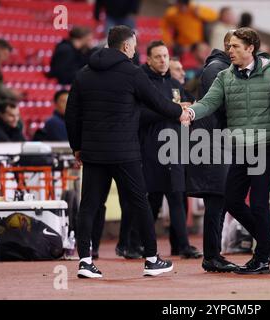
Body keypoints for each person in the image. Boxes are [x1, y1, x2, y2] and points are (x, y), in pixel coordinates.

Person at [65, 25, 191, 278]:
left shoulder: (83, 73)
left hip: (93, 152)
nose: (135, 50)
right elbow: (157, 101)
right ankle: (152, 259)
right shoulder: (133, 73)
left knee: (89, 205)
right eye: (134, 45)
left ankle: (85, 261)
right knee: (139, 203)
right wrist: (181, 112)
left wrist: (77, 146)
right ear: (125, 46)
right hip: (125, 152)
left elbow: (72, 115)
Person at [184, 28, 270, 274]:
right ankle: (269, 242)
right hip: (239, 147)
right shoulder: (224, 77)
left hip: (264, 146)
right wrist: (191, 112)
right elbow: (209, 102)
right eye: (229, 47)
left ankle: (262, 259)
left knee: (258, 202)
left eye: (235, 46)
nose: (230, 51)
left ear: (250, 48)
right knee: (233, 200)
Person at [139, 40, 201, 259]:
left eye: (165, 56)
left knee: (177, 196)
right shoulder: (143, 82)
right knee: (152, 199)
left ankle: (182, 245)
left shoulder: (174, 84)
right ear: (148, 59)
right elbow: (140, 115)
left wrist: (187, 110)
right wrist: (174, 111)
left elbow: (188, 106)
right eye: (158, 56)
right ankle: (139, 244)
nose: (163, 60)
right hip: (152, 150)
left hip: (175, 147)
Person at [184, 30, 237, 272]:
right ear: (228, 46)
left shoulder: (220, 68)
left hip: (215, 142)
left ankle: (214, 254)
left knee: (220, 200)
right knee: (216, 200)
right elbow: (227, 108)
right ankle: (212, 256)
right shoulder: (218, 69)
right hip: (212, 144)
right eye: (238, 45)